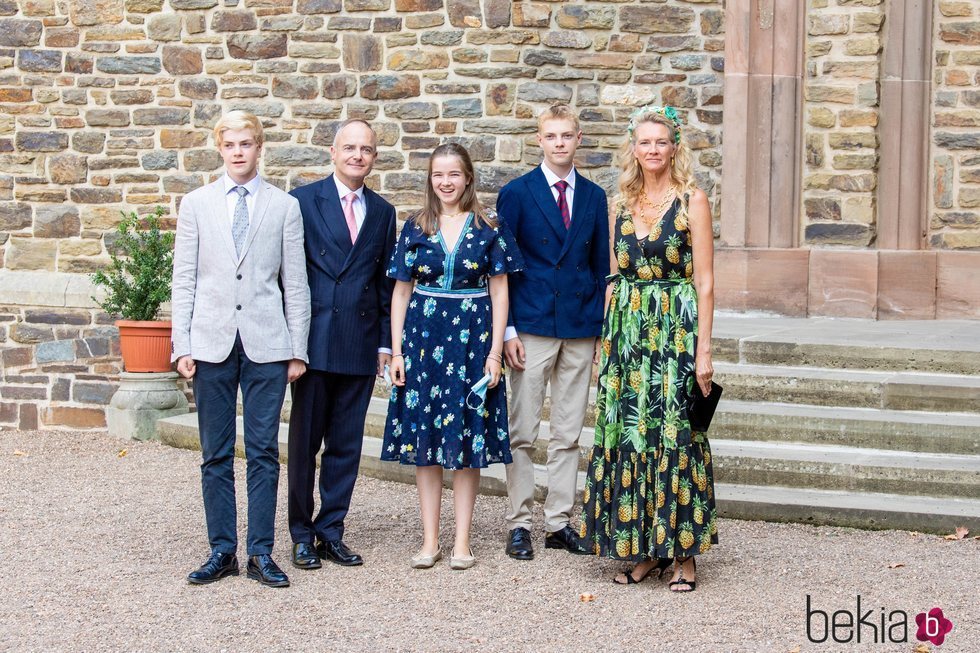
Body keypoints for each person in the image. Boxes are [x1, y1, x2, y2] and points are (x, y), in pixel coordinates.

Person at [579, 105, 717, 592]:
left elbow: (705, 284)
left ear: (674, 147)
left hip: (675, 334)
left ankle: (683, 555)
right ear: (633, 148)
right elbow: (615, 278)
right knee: (631, 436)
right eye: (644, 142)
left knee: (676, 434)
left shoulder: (692, 200)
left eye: (661, 142)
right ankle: (644, 550)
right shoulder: (621, 202)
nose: (652, 150)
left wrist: (704, 351)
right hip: (628, 337)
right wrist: (604, 341)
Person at [172, 110, 310, 588]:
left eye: (246, 143)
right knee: (214, 452)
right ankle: (222, 550)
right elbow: (184, 279)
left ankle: (260, 553)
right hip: (210, 341)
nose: (238, 152)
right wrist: (181, 343)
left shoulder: (284, 207)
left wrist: (298, 349)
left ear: (259, 146)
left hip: (267, 344)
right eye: (230, 144)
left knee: (263, 452)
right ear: (219, 148)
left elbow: (295, 284)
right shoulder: (195, 204)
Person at [383, 143, 524, 570]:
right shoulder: (415, 226)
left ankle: (462, 541)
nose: (445, 182)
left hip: (471, 339)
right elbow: (401, 290)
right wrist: (396, 351)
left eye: (453, 174)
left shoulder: (488, 226)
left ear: (468, 178)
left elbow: (500, 290)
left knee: (468, 439)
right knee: (426, 444)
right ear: (430, 179)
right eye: (438, 175)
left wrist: (495, 353)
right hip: (423, 340)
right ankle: (429, 541)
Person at [496, 104, 610, 560]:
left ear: (578, 140)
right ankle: (520, 522)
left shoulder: (595, 197)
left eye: (567, 135)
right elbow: (502, 268)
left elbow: (602, 267)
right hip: (532, 324)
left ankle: (559, 521)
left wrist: (600, 328)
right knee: (522, 428)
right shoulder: (517, 193)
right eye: (551, 136)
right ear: (539, 140)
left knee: (567, 430)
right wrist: (506, 330)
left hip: (580, 325)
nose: (559, 143)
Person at [286, 119, 397, 570]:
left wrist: (386, 345)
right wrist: (290, 344)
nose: (357, 155)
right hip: (312, 342)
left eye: (366, 149)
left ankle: (331, 530)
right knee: (304, 443)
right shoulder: (302, 202)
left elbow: (388, 286)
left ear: (373, 157)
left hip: (359, 340)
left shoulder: (384, 211)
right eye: (349, 148)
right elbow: (287, 277)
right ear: (332, 152)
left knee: (346, 446)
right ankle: (299, 533)